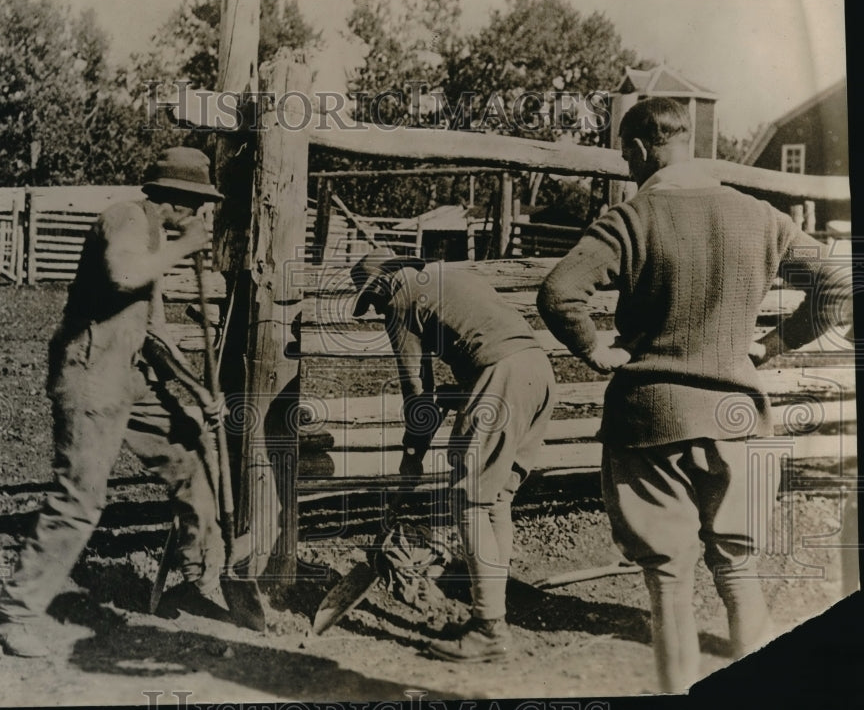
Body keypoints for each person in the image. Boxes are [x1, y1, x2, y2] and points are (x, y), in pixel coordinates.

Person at [536, 97, 852, 692]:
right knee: (740, 565)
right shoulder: (761, 216)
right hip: (741, 417)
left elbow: (559, 294)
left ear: (635, 150)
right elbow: (840, 289)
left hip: (652, 419)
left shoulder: (632, 219)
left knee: (668, 578)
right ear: (689, 142)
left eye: (627, 157)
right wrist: (771, 346)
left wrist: (595, 350)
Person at [0, 146, 227, 657]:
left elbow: (156, 334)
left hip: (127, 376)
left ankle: (196, 580)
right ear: (178, 199)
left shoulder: (155, 235)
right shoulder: (125, 218)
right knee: (81, 499)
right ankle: (17, 615)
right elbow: (123, 274)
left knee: (189, 453)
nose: (202, 214)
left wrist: (199, 391)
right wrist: (185, 247)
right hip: (90, 375)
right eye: (198, 203)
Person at [349, 250, 556, 662]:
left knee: (470, 502)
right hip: (538, 373)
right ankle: (494, 610)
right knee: (496, 500)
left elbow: (415, 393)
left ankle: (487, 631)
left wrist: (413, 454)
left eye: (371, 301)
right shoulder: (449, 276)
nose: (376, 310)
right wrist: (452, 397)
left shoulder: (399, 297)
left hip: (502, 375)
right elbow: (482, 343)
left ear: (381, 285)